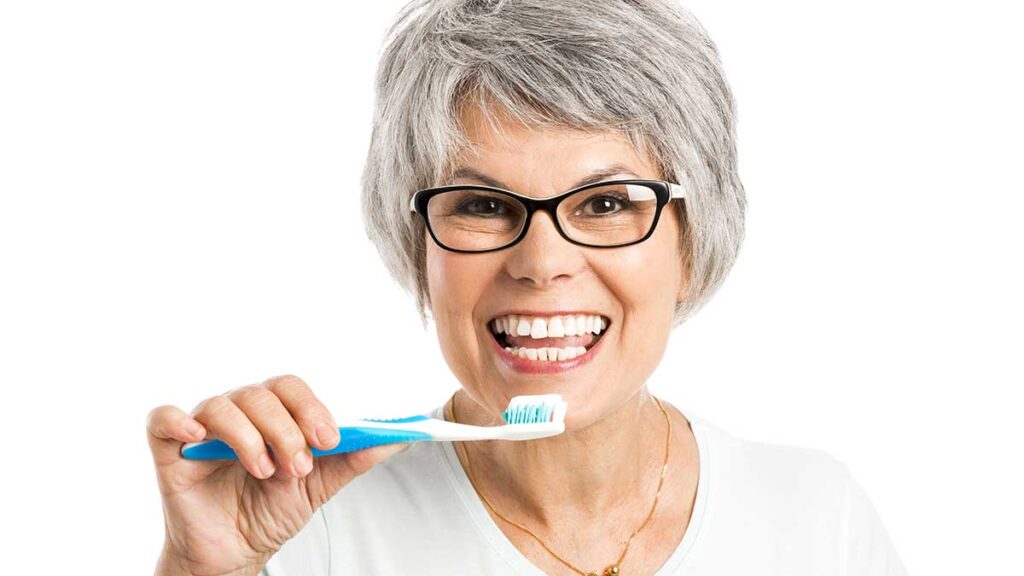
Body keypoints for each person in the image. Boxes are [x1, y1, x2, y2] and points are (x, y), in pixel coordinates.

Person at [147, 0, 907, 574]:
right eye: (482, 205)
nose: (541, 262)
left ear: (693, 235)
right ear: (416, 246)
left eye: (607, 203)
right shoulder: (311, 534)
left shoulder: (818, 521)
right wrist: (205, 569)